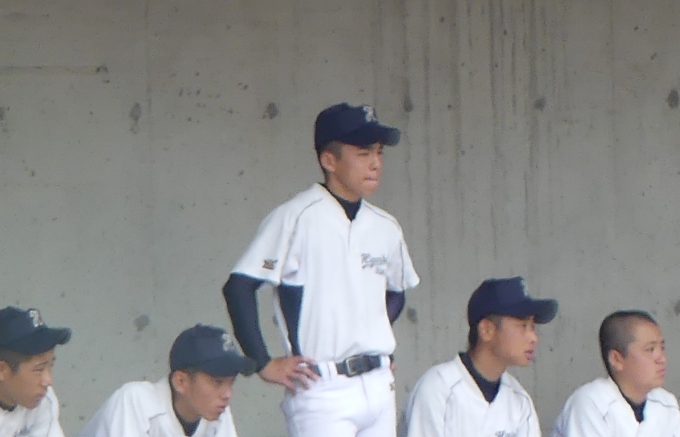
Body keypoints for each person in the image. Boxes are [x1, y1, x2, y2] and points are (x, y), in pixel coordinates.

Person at [222, 102, 420, 437]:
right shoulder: (297, 216)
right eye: (363, 153)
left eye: (379, 152)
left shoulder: (386, 226)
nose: (375, 163)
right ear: (329, 160)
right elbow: (239, 286)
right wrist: (262, 362)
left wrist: (367, 338)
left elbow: (396, 293)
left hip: (378, 382)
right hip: (322, 386)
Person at [400, 276, 558, 437]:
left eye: (532, 327)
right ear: (487, 330)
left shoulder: (520, 401)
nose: (533, 337)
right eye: (523, 326)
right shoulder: (438, 388)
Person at [78, 324, 255, 437]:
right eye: (217, 382)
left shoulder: (217, 412)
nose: (227, 394)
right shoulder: (136, 400)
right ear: (181, 382)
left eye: (231, 382)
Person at [551, 310, 680, 437]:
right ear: (617, 359)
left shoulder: (666, 402)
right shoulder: (591, 402)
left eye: (662, 348)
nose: (662, 358)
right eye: (650, 349)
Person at [0, 306, 72, 437]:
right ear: (2, 370)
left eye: (51, 366)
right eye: (39, 369)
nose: (48, 381)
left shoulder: (43, 399)